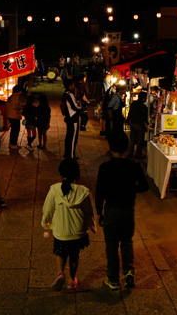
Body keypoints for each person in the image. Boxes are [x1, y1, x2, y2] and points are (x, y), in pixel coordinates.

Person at [96, 131, 149, 290]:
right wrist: (131, 189)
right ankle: (128, 273)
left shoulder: (105, 167)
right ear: (126, 147)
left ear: (110, 147)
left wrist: (100, 212)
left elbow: (99, 192)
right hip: (128, 209)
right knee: (127, 241)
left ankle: (112, 279)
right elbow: (145, 186)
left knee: (111, 245)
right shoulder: (134, 166)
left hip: (111, 208)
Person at [42, 158, 96, 291]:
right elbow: (89, 212)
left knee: (60, 253)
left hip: (61, 230)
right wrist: (92, 226)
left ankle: (60, 273)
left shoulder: (54, 190)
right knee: (74, 255)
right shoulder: (83, 192)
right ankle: (72, 280)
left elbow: (48, 209)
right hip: (78, 231)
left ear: (61, 174)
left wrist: (45, 223)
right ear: (77, 174)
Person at [62, 79, 84, 160]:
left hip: (68, 118)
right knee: (73, 137)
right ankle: (71, 155)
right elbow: (74, 107)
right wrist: (81, 108)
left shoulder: (65, 94)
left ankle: (67, 153)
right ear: (69, 86)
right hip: (73, 117)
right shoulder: (70, 94)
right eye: (72, 85)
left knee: (68, 136)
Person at [127, 91, 148, 159]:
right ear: (143, 98)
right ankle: (138, 154)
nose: (146, 99)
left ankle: (129, 153)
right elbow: (145, 117)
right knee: (140, 140)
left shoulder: (133, 103)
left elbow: (130, 113)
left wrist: (128, 120)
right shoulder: (144, 107)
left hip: (132, 123)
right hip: (139, 125)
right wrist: (147, 123)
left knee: (132, 140)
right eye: (146, 98)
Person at [6, 85, 23, 149]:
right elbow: (15, 106)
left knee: (13, 130)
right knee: (15, 130)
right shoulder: (15, 97)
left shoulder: (10, 97)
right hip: (14, 116)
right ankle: (13, 143)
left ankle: (12, 143)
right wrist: (20, 107)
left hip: (11, 115)